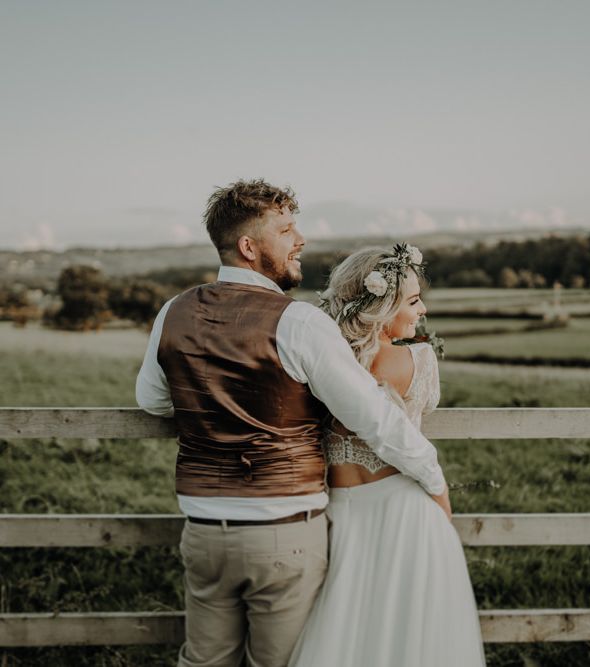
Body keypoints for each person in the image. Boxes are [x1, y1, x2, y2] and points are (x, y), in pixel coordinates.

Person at [135, 179, 450, 667]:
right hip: (283, 534)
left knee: (203, 662)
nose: (299, 239)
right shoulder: (299, 323)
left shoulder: (173, 312)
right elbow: (375, 418)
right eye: (286, 230)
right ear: (248, 246)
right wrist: (433, 477)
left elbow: (153, 401)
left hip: (203, 531)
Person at [288, 244, 485, 667]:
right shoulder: (419, 361)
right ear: (382, 306)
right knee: (414, 641)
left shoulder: (317, 363)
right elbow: (416, 417)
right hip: (408, 512)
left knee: (344, 637)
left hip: (336, 516)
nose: (424, 310)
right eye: (413, 301)